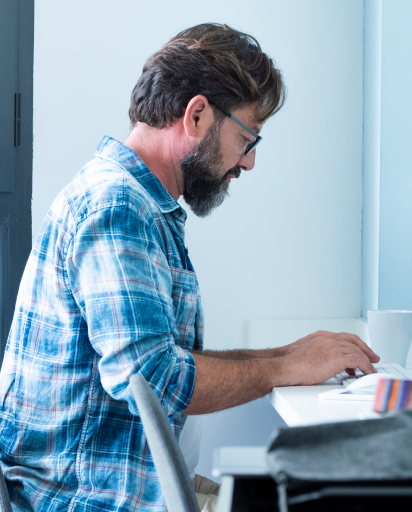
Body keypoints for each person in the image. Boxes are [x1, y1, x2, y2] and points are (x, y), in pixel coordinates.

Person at [0, 23, 379, 512]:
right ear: (197, 115)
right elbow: (152, 380)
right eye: (248, 139)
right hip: (85, 499)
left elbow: (163, 357)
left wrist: (289, 355)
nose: (249, 163)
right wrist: (285, 368)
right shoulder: (116, 207)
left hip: (126, 484)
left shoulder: (135, 202)